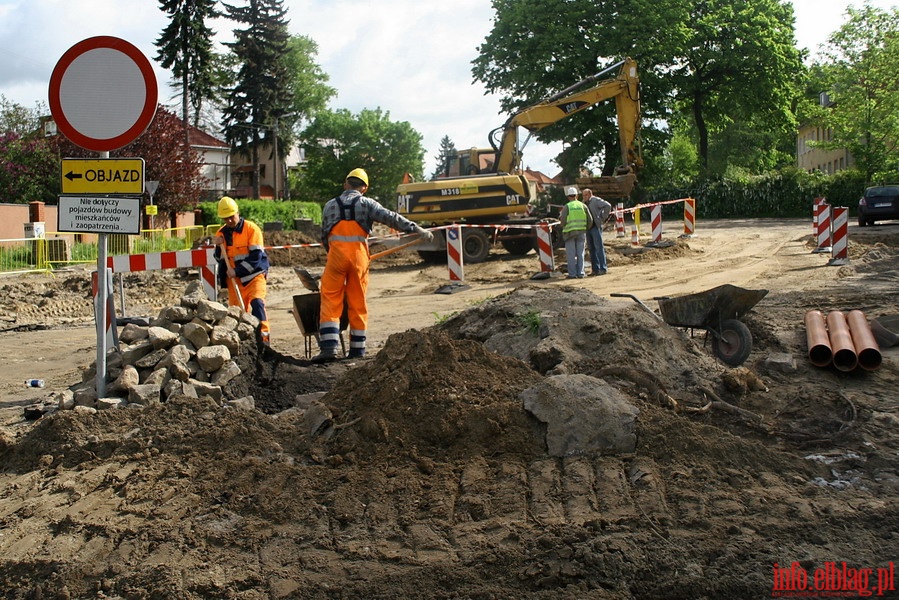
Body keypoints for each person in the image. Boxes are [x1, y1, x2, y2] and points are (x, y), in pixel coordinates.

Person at [312, 168, 434, 362]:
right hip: (359, 259)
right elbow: (391, 218)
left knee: (330, 300)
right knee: (357, 302)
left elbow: (324, 235)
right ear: (364, 188)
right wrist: (417, 229)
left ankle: (329, 349)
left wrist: (333, 256)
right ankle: (357, 351)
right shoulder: (367, 203)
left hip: (335, 257)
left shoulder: (329, 205)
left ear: (345, 184)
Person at [213, 196, 271, 345]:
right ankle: (244, 344)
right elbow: (218, 257)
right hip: (234, 281)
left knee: (257, 303)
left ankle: (263, 340)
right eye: (226, 219)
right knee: (237, 313)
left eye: (231, 217)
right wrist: (218, 247)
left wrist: (237, 271)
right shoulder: (221, 233)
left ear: (237, 212)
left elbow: (256, 258)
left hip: (254, 276)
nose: (229, 221)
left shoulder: (251, 229)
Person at [558, 186, 593, 279]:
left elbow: (563, 221)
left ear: (568, 196)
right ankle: (581, 273)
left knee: (571, 255)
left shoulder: (567, 207)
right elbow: (590, 220)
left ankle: (572, 274)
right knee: (580, 254)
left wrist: (562, 226)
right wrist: (586, 228)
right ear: (577, 196)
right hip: (581, 233)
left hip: (569, 234)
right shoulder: (583, 205)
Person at [584, 188, 612, 276]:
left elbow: (608, 205)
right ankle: (595, 269)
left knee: (599, 248)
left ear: (590, 194)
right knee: (591, 249)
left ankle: (603, 268)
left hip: (595, 227)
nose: (584, 197)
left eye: (586, 195)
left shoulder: (595, 200)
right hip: (588, 228)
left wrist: (602, 218)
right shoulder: (584, 203)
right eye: (583, 195)